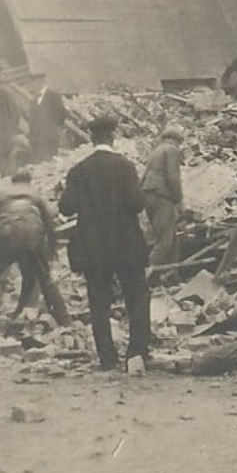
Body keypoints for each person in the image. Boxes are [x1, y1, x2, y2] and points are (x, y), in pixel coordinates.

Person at [62, 115, 152, 371]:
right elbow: (136, 203)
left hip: (93, 247)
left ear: (91, 138)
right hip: (125, 244)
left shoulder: (78, 171)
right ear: (112, 136)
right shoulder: (125, 167)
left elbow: (66, 208)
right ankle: (137, 352)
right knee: (137, 297)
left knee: (99, 301)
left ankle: (107, 358)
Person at [0, 170, 70, 336]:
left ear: (12, 180)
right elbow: (49, 225)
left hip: (5, 235)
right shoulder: (35, 194)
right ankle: (66, 322)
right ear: (29, 181)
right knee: (44, 280)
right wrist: (50, 252)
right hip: (32, 236)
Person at [141, 122, 185, 268]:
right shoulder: (172, 150)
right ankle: (144, 275)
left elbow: (144, 176)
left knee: (171, 238)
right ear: (177, 140)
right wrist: (178, 199)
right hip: (162, 196)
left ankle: (170, 275)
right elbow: (172, 176)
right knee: (164, 241)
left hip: (149, 195)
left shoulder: (156, 151)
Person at [27, 81, 68, 164]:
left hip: (50, 139)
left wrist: (52, 129)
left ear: (40, 82)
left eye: (33, 82)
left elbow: (61, 115)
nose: (32, 86)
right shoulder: (34, 100)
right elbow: (32, 121)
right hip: (36, 141)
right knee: (38, 166)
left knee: (50, 165)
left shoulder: (53, 96)